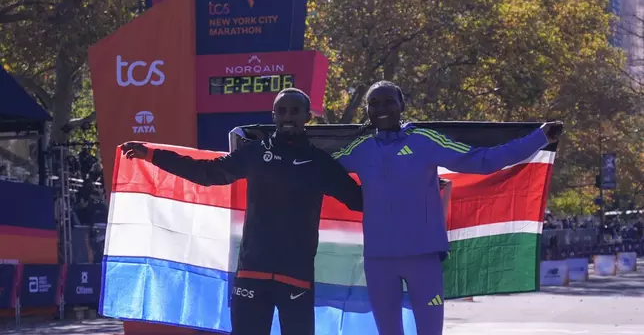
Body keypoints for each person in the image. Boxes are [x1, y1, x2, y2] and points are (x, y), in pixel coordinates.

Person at [121, 88, 363, 335]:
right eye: (282, 110)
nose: (288, 116)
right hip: (252, 270)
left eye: (295, 110)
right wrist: (152, 155)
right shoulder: (254, 153)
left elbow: (359, 201)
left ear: (307, 117)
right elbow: (206, 173)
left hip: (296, 275)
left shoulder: (320, 163)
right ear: (273, 115)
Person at [332, 80, 564, 335]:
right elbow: (316, 169)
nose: (381, 108)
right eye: (373, 103)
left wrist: (539, 138)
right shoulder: (360, 150)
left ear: (402, 105)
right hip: (378, 261)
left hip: (424, 259)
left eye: (389, 101)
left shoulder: (424, 141)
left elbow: (483, 161)